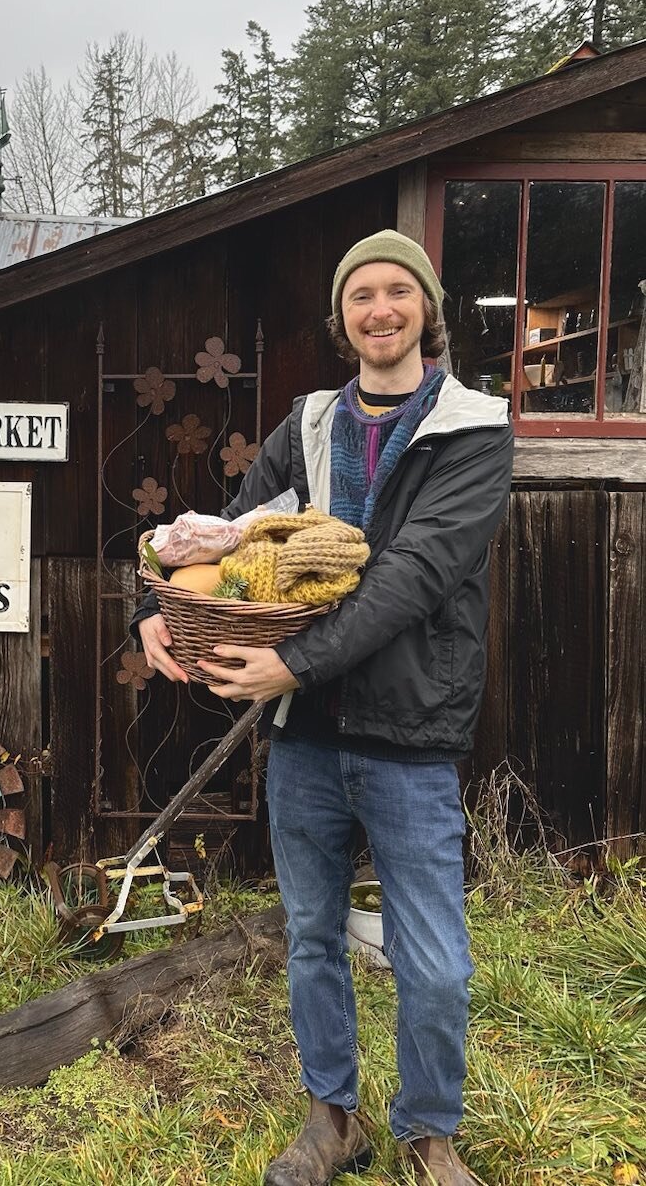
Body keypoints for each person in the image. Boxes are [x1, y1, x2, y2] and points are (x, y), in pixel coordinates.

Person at [136, 230, 513, 1186]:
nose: (380, 310)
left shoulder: (473, 429)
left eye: (397, 293)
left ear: (427, 309)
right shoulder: (307, 424)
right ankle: (330, 1119)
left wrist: (293, 664)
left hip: (409, 734)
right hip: (303, 739)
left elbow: (413, 577)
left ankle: (430, 1136)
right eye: (360, 297)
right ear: (342, 319)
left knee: (432, 960)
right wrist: (154, 608)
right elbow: (224, 535)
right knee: (311, 938)